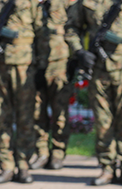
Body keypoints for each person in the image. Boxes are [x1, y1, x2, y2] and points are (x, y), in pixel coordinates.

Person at [67, 0, 122, 187]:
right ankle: (107, 168)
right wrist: (80, 52)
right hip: (99, 69)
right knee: (103, 121)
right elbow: (71, 27)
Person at [0, 0, 45, 184]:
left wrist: (42, 66)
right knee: (2, 117)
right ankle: (6, 166)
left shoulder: (31, 3)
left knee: (25, 118)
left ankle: (23, 165)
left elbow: (42, 34)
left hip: (25, 66)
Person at [31, 0, 77, 171]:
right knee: (37, 112)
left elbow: (75, 30)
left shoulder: (68, 4)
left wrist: (74, 61)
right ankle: (41, 153)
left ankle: (58, 153)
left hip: (60, 67)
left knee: (60, 114)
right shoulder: (32, 5)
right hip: (37, 66)